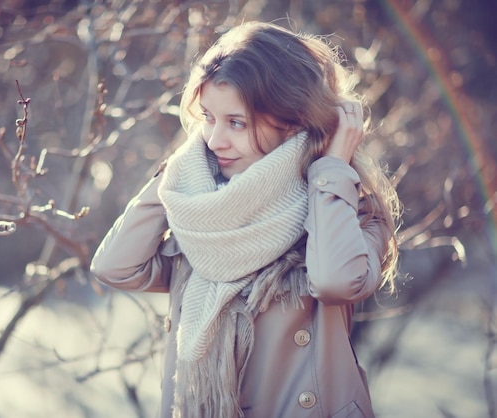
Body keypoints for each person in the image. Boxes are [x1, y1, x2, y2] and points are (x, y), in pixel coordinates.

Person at [91, 20, 400, 418]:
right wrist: (181, 172)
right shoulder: (203, 218)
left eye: (236, 122)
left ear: (291, 122)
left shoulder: (345, 207)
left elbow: (335, 282)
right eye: (208, 118)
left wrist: (332, 168)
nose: (215, 140)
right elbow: (115, 266)